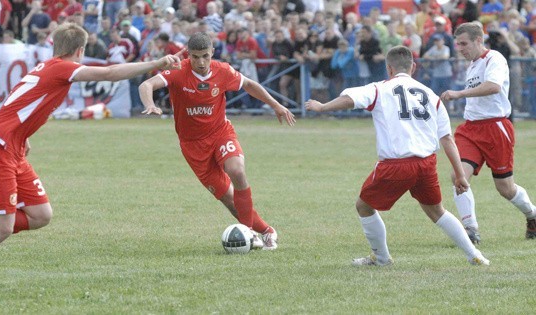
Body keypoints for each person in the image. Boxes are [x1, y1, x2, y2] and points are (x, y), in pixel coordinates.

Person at [0, 23, 181, 295]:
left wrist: (23, 134)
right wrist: (157, 63)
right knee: (2, 228)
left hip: (11, 147)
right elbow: (111, 73)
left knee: (41, 214)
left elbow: (16, 100)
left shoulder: (47, 66)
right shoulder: (63, 68)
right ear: (80, 50)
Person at [305, 45, 489, 267]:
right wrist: (460, 175)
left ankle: (381, 258)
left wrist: (323, 107)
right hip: (426, 164)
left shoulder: (379, 88)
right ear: (413, 67)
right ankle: (474, 254)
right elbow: (447, 139)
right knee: (437, 211)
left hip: (396, 164)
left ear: (389, 69)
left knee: (363, 206)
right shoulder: (431, 95)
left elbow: (351, 99)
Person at [139, 32, 296, 252]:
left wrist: (276, 105)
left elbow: (249, 84)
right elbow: (146, 85)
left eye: (205, 56)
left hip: (220, 133)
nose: (201, 62)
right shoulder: (177, 71)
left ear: (212, 52)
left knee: (237, 171)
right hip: (192, 146)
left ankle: (248, 233)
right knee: (230, 201)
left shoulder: (222, 71)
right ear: (188, 55)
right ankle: (267, 231)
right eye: (195, 57)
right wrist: (150, 104)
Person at [441, 22, 536, 243]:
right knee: (458, 176)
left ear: (478, 40)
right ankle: (470, 229)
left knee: (505, 188)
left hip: (496, 128)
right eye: (458, 44)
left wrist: (459, 93)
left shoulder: (495, 58)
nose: (460, 49)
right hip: (470, 129)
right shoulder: (472, 65)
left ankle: (532, 214)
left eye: (464, 44)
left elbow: (494, 86)